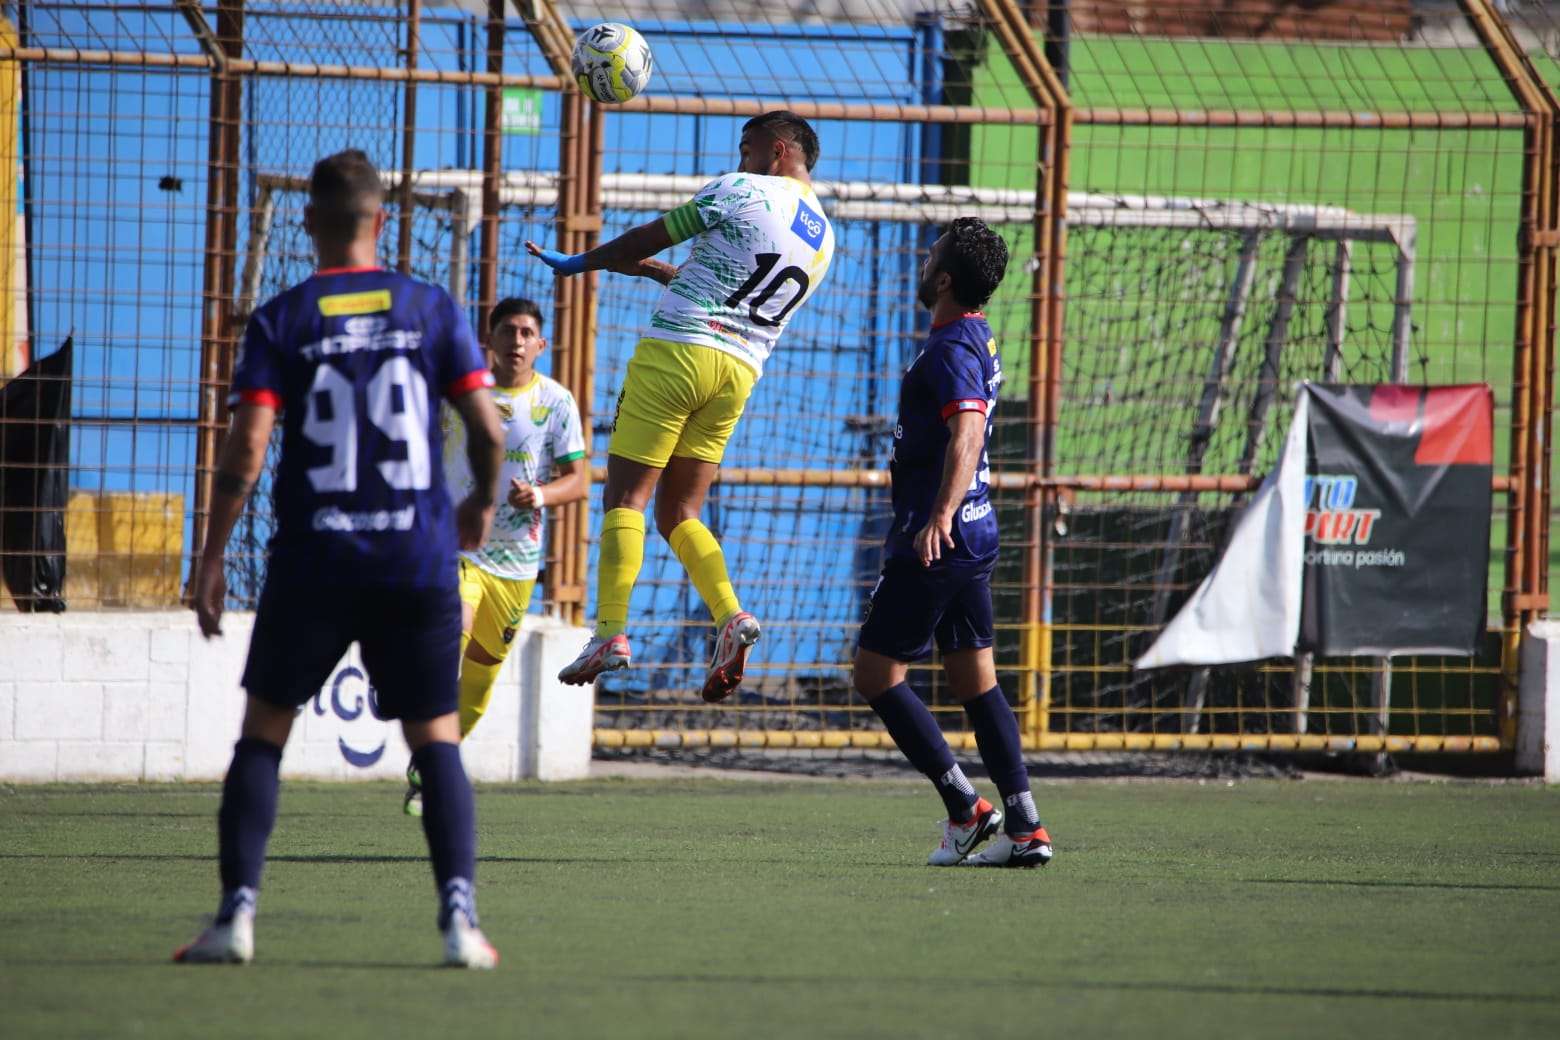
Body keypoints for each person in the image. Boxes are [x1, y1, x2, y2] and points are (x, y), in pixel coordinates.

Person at [176, 149, 506, 966]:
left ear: (309, 219)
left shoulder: (282, 318)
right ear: (381, 220)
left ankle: (235, 918)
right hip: (415, 561)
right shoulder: (429, 307)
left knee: (262, 739)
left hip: (314, 562)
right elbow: (490, 430)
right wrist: (480, 505)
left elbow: (246, 450)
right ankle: (461, 922)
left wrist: (211, 555)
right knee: (436, 744)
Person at [526, 110, 834, 702]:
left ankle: (611, 633)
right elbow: (731, 289)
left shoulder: (741, 187)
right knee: (681, 512)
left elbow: (653, 233)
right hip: (738, 373)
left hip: (678, 355)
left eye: (747, 148)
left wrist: (581, 261)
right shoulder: (823, 234)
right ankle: (730, 615)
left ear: (776, 149)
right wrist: (659, 274)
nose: (740, 159)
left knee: (626, 500)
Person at [852, 218, 1053, 869]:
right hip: (977, 533)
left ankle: (965, 808)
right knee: (976, 680)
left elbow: (967, 430)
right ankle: (1026, 826)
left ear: (942, 277)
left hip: (939, 539)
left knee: (877, 674)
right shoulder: (972, 335)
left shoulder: (948, 350)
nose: (925, 258)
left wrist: (938, 513)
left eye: (932, 252)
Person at [403, 296, 588, 817]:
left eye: (528, 333)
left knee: (480, 683)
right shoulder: (460, 394)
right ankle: (405, 684)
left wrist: (542, 495)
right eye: (508, 330)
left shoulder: (555, 403)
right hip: (459, 544)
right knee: (450, 628)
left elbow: (580, 480)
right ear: (491, 338)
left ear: (541, 344)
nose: (518, 341)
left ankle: (432, 762)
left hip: (518, 563)